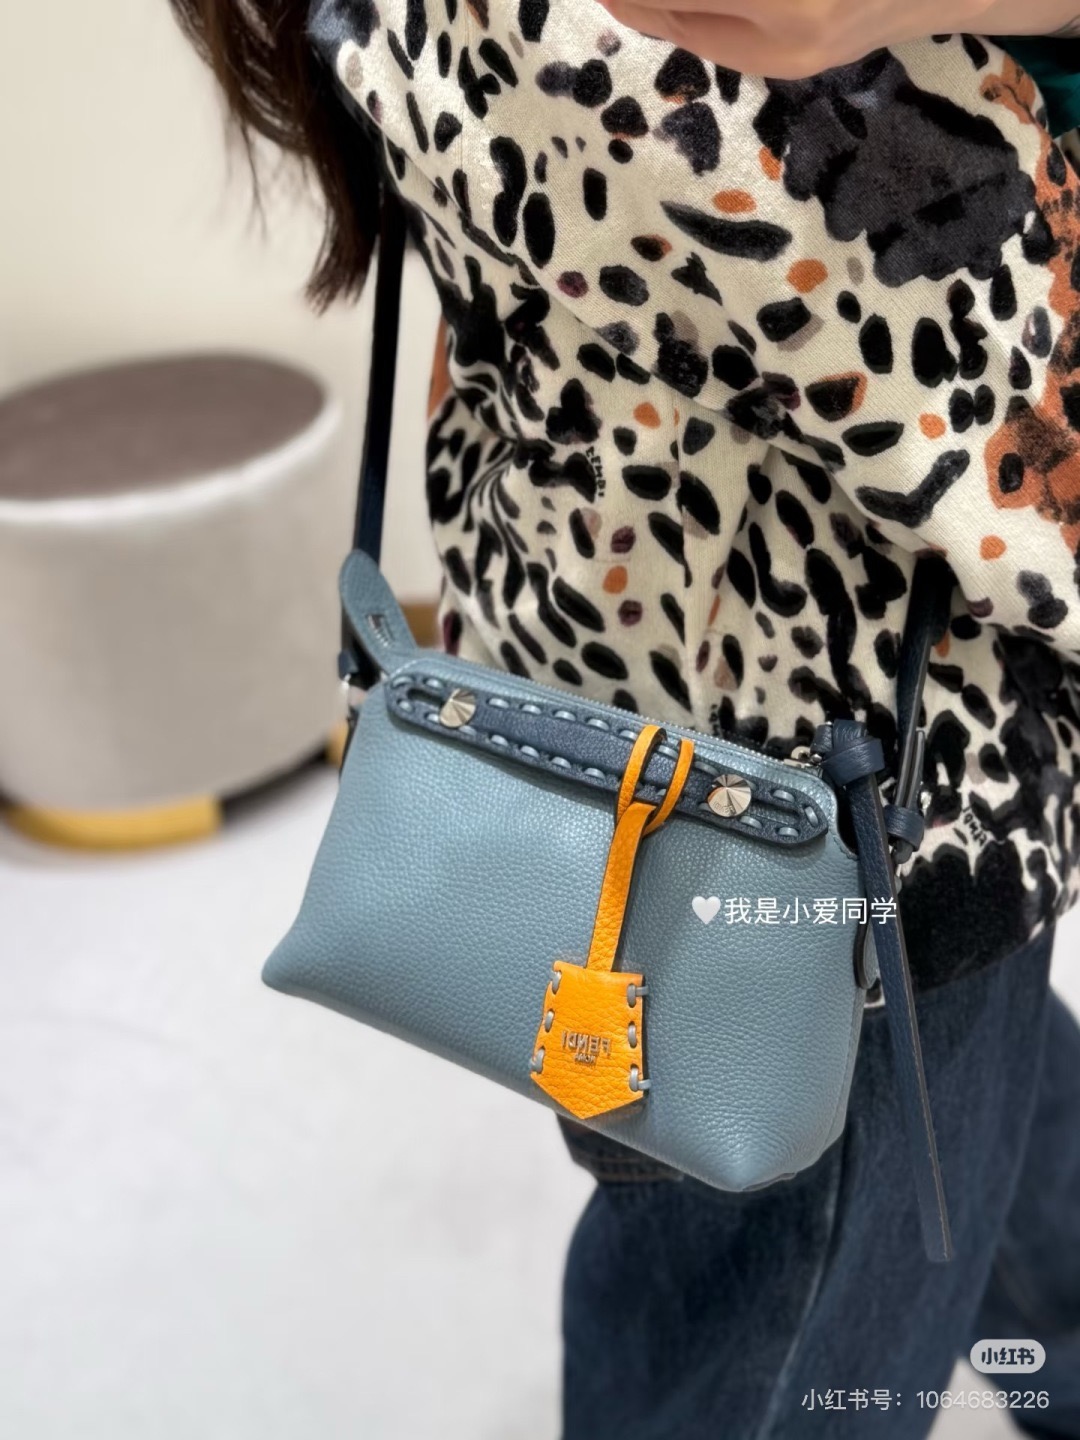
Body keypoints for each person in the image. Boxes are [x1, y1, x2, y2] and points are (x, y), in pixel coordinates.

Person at [170, 2, 1080, 1433]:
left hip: (594, 659)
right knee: (762, 1307)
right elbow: (1001, 441)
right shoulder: (738, 70)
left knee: (959, 1120)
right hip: (831, 820)